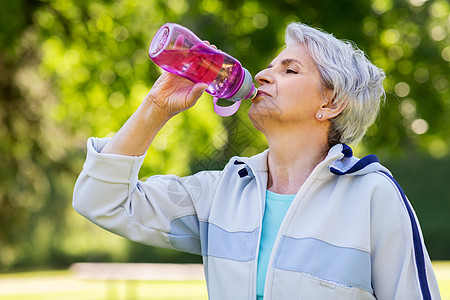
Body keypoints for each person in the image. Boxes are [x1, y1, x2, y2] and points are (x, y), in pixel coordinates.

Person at [73, 22, 441, 299]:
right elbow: (102, 201)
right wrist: (155, 108)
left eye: (289, 70)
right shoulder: (220, 195)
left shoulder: (372, 195)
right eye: (270, 66)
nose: (263, 74)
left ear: (330, 103)